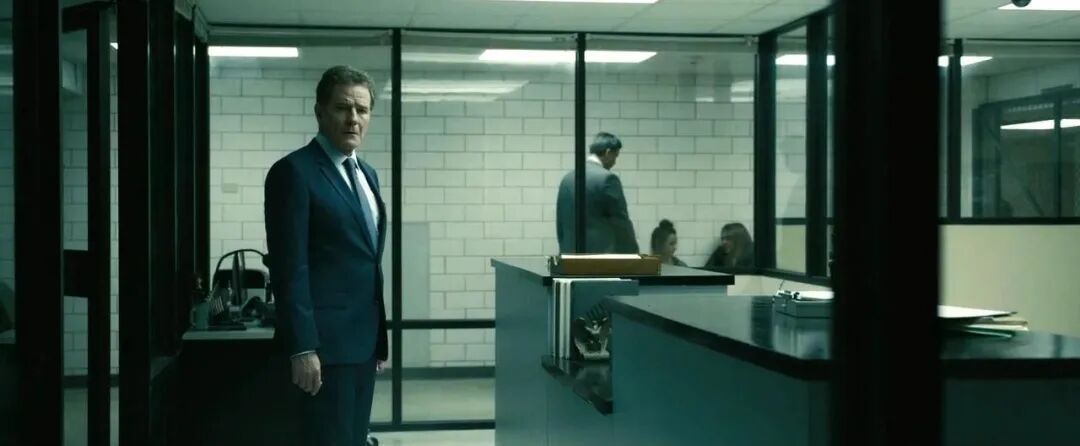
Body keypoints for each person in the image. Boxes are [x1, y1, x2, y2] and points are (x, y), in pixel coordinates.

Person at [264, 65, 387, 446]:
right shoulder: (294, 173)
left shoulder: (367, 174)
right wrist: (302, 347)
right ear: (319, 111)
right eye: (342, 107)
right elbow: (290, 268)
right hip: (323, 350)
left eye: (362, 110)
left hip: (363, 345)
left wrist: (377, 340)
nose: (353, 119)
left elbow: (365, 261)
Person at [556, 132, 638, 254]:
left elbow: (560, 223)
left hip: (570, 256)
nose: (614, 162)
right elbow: (621, 222)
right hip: (600, 257)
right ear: (608, 152)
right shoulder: (608, 179)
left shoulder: (567, 179)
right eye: (615, 156)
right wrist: (633, 252)